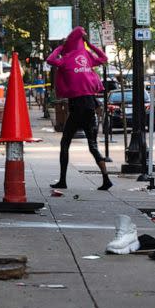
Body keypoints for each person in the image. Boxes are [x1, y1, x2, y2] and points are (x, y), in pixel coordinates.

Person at [46, 27, 112, 191]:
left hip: (77, 108)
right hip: (90, 106)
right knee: (93, 146)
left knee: (65, 143)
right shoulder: (87, 55)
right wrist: (89, 45)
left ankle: (62, 180)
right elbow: (103, 58)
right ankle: (106, 179)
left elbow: (50, 60)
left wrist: (60, 47)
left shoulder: (66, 58)